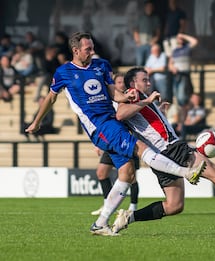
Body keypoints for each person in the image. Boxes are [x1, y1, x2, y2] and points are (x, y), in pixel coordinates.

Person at [25, 32, 205, 236]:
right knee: (139, 147)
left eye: (92, 47)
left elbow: (113, 93)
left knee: (127, 173)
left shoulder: (101, 65)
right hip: (98, 125)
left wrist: (126, 97)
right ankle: (186, 172)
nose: (92, 51)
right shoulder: (63, 72)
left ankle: (100, 224)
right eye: (87, 49)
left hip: (112, 119)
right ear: (75, 51)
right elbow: (50, 98)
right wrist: (36, 122)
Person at [110, 67, 215, 234]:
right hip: (171, 148)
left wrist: (159, 111)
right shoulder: (133, 93)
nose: (149, 82)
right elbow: (121, 114)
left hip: (161, 156)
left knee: (174, 205)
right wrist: (149, 101)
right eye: (144, 80)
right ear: (133, 83)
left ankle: (129, 217)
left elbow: (144, 123)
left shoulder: (140, 98)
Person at [91, 73, 139, 216]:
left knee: (131, 176)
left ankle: (133, 206)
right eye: (117, 82)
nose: (120, 85)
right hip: (111, 140)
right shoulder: (108, 100)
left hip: (126, 140)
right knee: (101, 173)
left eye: (122, 82)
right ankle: (107, 204)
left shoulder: (130, 98)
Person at [168, 33, 198, 107]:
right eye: (179, 38)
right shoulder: (174, 51)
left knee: (182, 97)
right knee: (177, 96)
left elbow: (195, 41)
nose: (180, 39)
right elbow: (170, 64)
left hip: (184, 74)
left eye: (181, 38)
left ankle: (185, 111)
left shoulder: (187, 48)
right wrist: (172, 68)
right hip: (176, 75)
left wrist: (183, 36)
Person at [133, 0, 161, 66]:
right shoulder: (140, 18)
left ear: (153, 8)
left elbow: (158, 33)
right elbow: (135, 30)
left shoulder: (155, 18)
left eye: (151, 6)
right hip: (141, 44)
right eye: (148, 6)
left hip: (150, 45)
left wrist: (154, 41)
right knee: (139, 63)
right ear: (145, 7)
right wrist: (137, 41)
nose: (149, 8)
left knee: (149, 63)